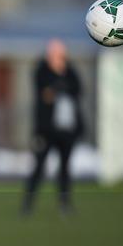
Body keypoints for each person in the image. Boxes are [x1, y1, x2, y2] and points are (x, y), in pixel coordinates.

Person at [21, 39, 84, 215]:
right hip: (46, 131)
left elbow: (77, 88)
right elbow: (45, 91)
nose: (58, 59)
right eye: (54, 55)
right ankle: (27, 204)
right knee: (39, 167)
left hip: (67, 130)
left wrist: (58, 87)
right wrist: (58, 86)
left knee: (65, 168)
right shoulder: (42, 71)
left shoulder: (70, 71)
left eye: (61, 55)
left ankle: (65, 204)